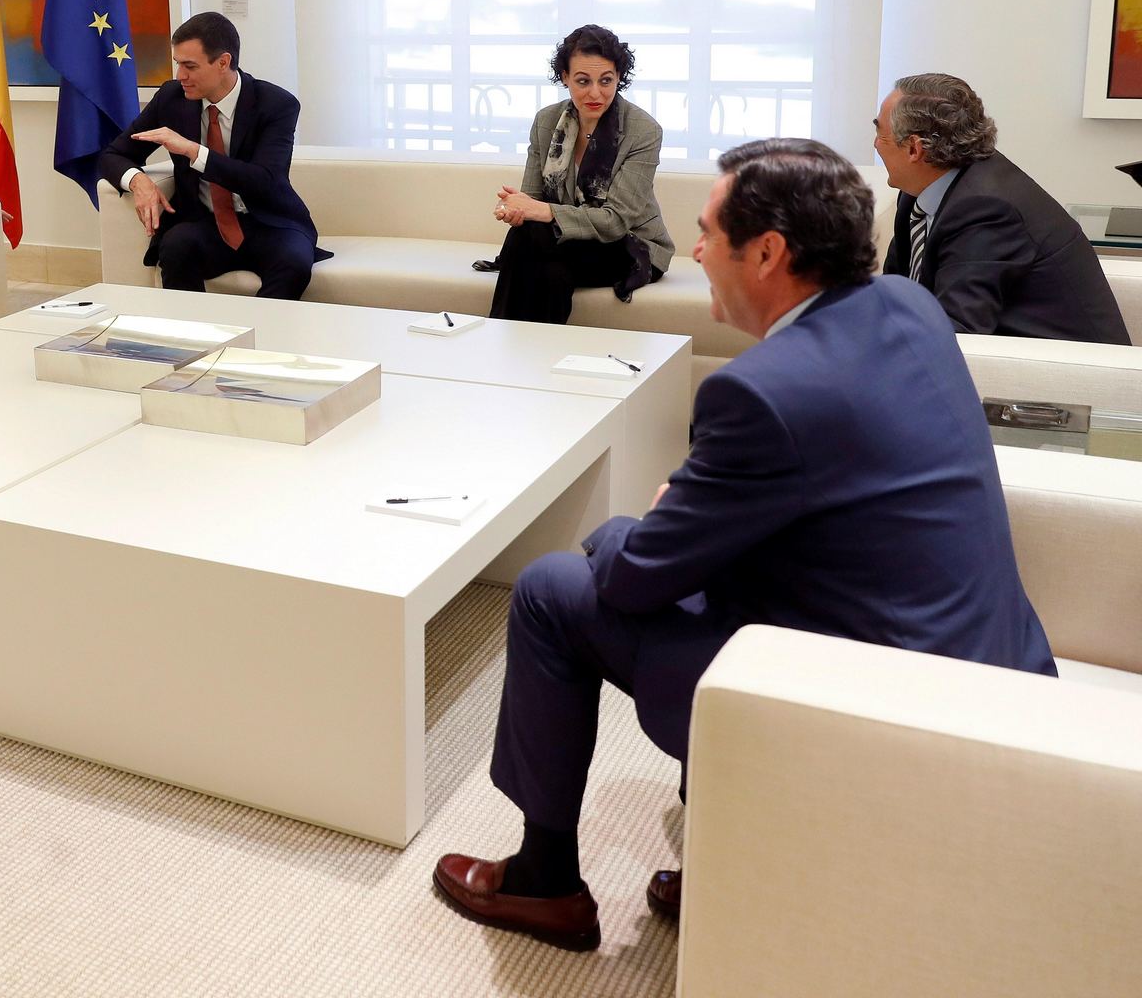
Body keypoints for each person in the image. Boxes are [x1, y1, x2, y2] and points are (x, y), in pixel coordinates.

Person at [434, 138, 1056, 952]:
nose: (693, 251)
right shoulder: (907, 305)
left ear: (768, 252)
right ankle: (735, 857)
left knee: (556, 585)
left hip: (872, 707)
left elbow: (636, 579)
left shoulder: (762, 393)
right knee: (726, 573)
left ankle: (542, 884)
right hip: (988, 665)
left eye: (707, 232)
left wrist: (625, 528)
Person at [876, 73, 1128, 344]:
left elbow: (957, 328)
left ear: (915, 149)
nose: (875, 144)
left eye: (880, 134)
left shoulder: (987, 209)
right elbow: (893, 292)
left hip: (1064, 373)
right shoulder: (921, 188)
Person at [95, 11, 328, 300]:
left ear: (223, 62)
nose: (180, 76)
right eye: (178, 64)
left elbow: (265, 180)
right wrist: (138, 182)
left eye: (190, 66)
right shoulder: (172, 98)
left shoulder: (276, 105)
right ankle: (195, 337)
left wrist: (194, 151)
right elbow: (113, 154)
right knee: (175, 247)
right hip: (206, 223)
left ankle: (258, 338)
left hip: (269, 222)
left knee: (293, 263)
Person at [481, 24, 673, 323]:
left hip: (628, 246)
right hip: (562, 242)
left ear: (619, 78)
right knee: (546, 262)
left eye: (606, 80)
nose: (595, 93)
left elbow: (616, 221)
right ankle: (541, 356)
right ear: (565, 78)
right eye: (583, 81)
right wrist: (515, 210)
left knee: (532, 247)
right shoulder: (546, 121)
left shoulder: (642, 131)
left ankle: (503, 349)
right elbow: (532, 201)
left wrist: (540, 211)